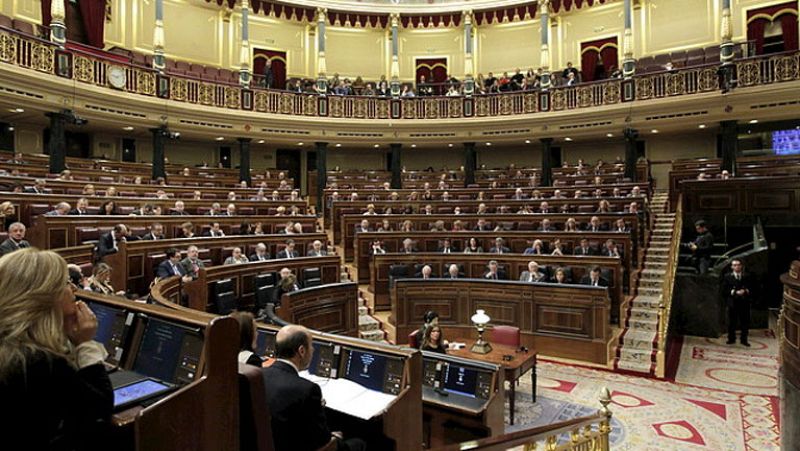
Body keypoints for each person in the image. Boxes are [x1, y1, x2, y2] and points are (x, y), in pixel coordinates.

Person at [0, 249, 113, 450]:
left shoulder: (13, 346)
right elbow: (99, 409)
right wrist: (84, 343)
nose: (73, 289)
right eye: (65, 283)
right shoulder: (38, 362)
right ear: (43, 298)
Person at [261, 325, 366, 451]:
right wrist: (334, 438)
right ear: (301, 351)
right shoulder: (307, 389)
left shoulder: (260, 374)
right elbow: (322, 441)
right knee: (359, 442)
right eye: (311, 346)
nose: (313, 350)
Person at [722, 259, 755, 346]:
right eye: (735, 265)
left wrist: (745, 291)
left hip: (744, 302)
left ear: (741, 266)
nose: (737, 266)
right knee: (732, 322)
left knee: (745, 322)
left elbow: (753, 287)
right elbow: (724, 290)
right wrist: (734, 292)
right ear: (732, 267)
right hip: (733, 303)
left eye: (738, 265)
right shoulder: (727, 276)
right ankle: (731, 339)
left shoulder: (747, 276)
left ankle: (744, 340)